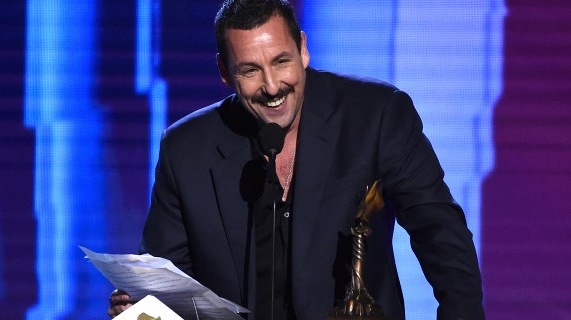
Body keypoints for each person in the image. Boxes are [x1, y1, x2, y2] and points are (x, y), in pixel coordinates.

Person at [108, 0, 485, 319]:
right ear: (225, 72)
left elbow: (441, 235)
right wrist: (144, 308)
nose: (272, 87)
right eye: (250, 70)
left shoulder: (376, 116)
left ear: (303, 49)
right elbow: (167, 283)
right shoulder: (186, 148)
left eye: (281, 61)